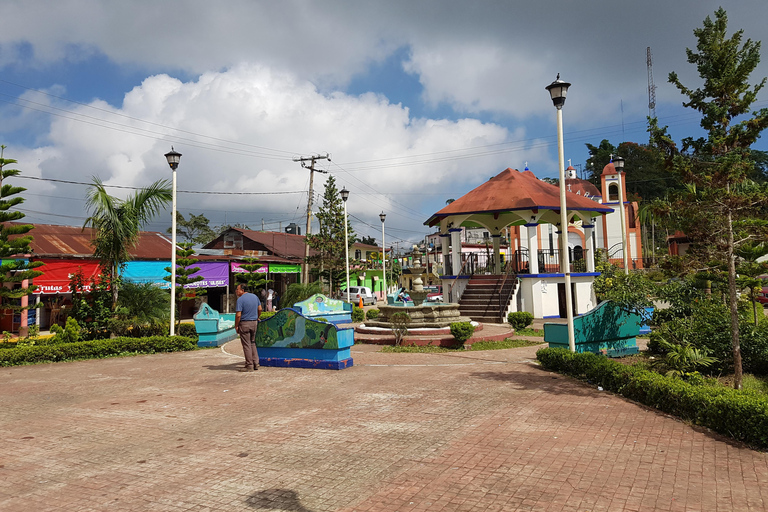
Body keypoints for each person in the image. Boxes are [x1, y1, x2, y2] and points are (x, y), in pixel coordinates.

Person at [235, 283, 262, 372]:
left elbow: (238, 315)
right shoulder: (255, 297)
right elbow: (260, 309)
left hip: (245, 323)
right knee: (252, 343)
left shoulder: (240, 300)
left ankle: (249, 365)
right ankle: (256, 363)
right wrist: (257, 317)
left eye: (237, 289)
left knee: (246, 345)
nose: (236, 291)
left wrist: (236, 326)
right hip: (254, 323)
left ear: (242, 290)